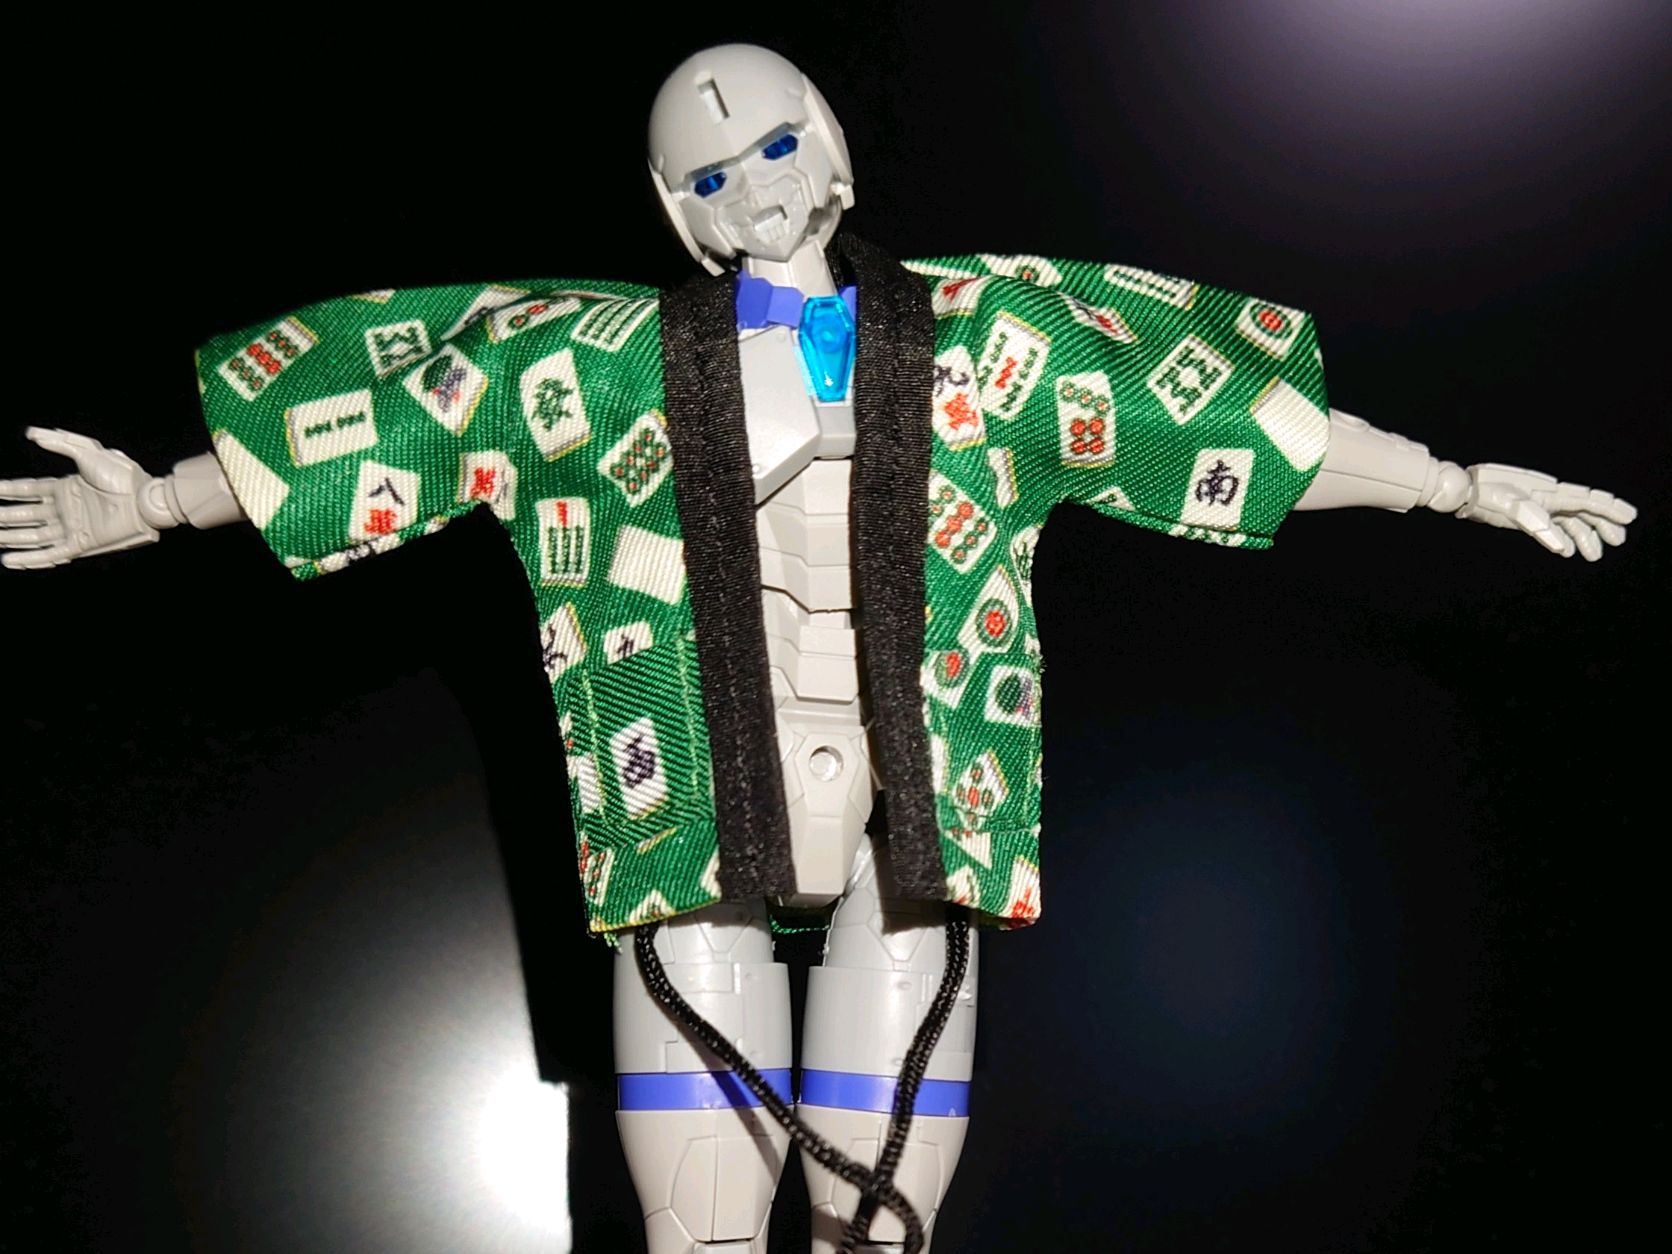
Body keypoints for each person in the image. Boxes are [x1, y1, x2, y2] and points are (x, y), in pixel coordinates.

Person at [0, 42, 1636, 1254]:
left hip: (910, 846)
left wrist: (1452, 481)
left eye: (778, 142)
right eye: (713, 173)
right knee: (704, 1233)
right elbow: (396, 423)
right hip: (690, 835)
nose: (758, 183)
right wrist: (155, 500)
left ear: (836, 144)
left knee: (882, 1231)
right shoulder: (591, 363)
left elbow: (1208, 419)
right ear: (674, 209)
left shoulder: (992, 339)